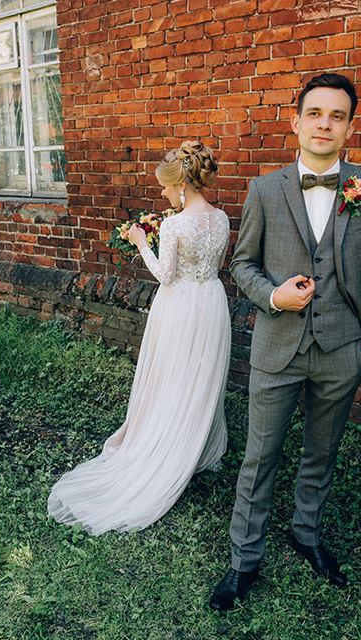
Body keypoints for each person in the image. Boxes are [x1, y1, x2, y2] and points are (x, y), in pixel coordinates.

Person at [210, 72, 361, 611]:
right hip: (278, 345)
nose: (325, 124)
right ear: (296, 121)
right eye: (316, 113)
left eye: (338, 116)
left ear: (349, 127)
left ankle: (306, 534)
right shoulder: (265, 188)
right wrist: (273, 296)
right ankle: (243, 560)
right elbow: (241, 264)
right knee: (261, 456)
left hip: (343, 350)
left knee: (321, 454)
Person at [46, 141, 230, 535]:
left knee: (170, 377)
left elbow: (166, 274)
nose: (162, 194)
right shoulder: (221, 218)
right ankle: (194, 442)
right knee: (198, 377)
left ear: (181, 185)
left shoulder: (176, 224)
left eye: (165, 187)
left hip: (179, 306)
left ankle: (167, 448)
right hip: (212, 303)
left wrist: (142, 242)